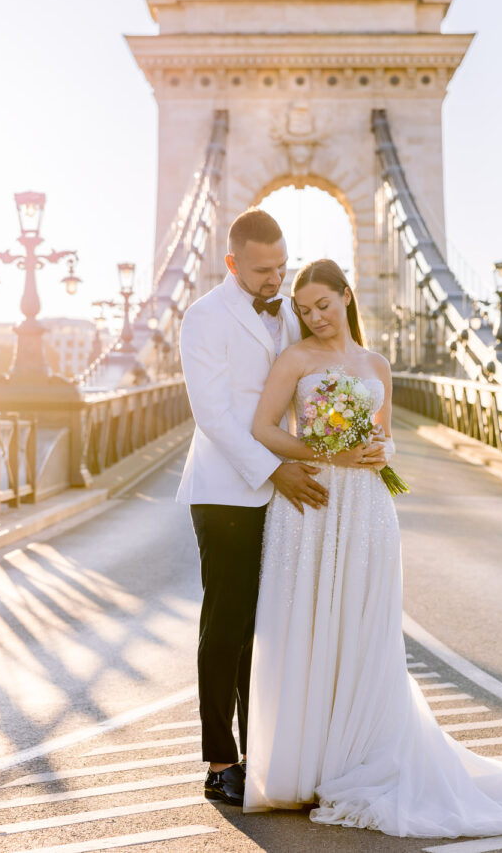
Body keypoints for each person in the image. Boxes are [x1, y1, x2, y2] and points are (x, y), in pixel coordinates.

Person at [244, 258, 502, 837]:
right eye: (304, 310)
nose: (314, 317)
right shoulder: (295, 359)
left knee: (361, 627)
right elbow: (263, 428)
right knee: (306, 621)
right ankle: (302, 764)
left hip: (367, 507)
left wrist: (381, 452)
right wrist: (326, 452)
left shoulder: (376, 363)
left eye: (323, 305)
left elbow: (386, 439)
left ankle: (354, 754)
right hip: (311, 499)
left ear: (347, 297)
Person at [177, 213, 383, 806]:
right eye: (264, 270)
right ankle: (220, 761)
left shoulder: (292, 309)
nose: (277, 279)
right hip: (228, 490)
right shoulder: (204, 318)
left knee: (278, 629)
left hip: (297, 493)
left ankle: (269, 752)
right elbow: (213, 415)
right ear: (232, 263)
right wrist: (275, 469)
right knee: (228, 625)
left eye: (282, 267)